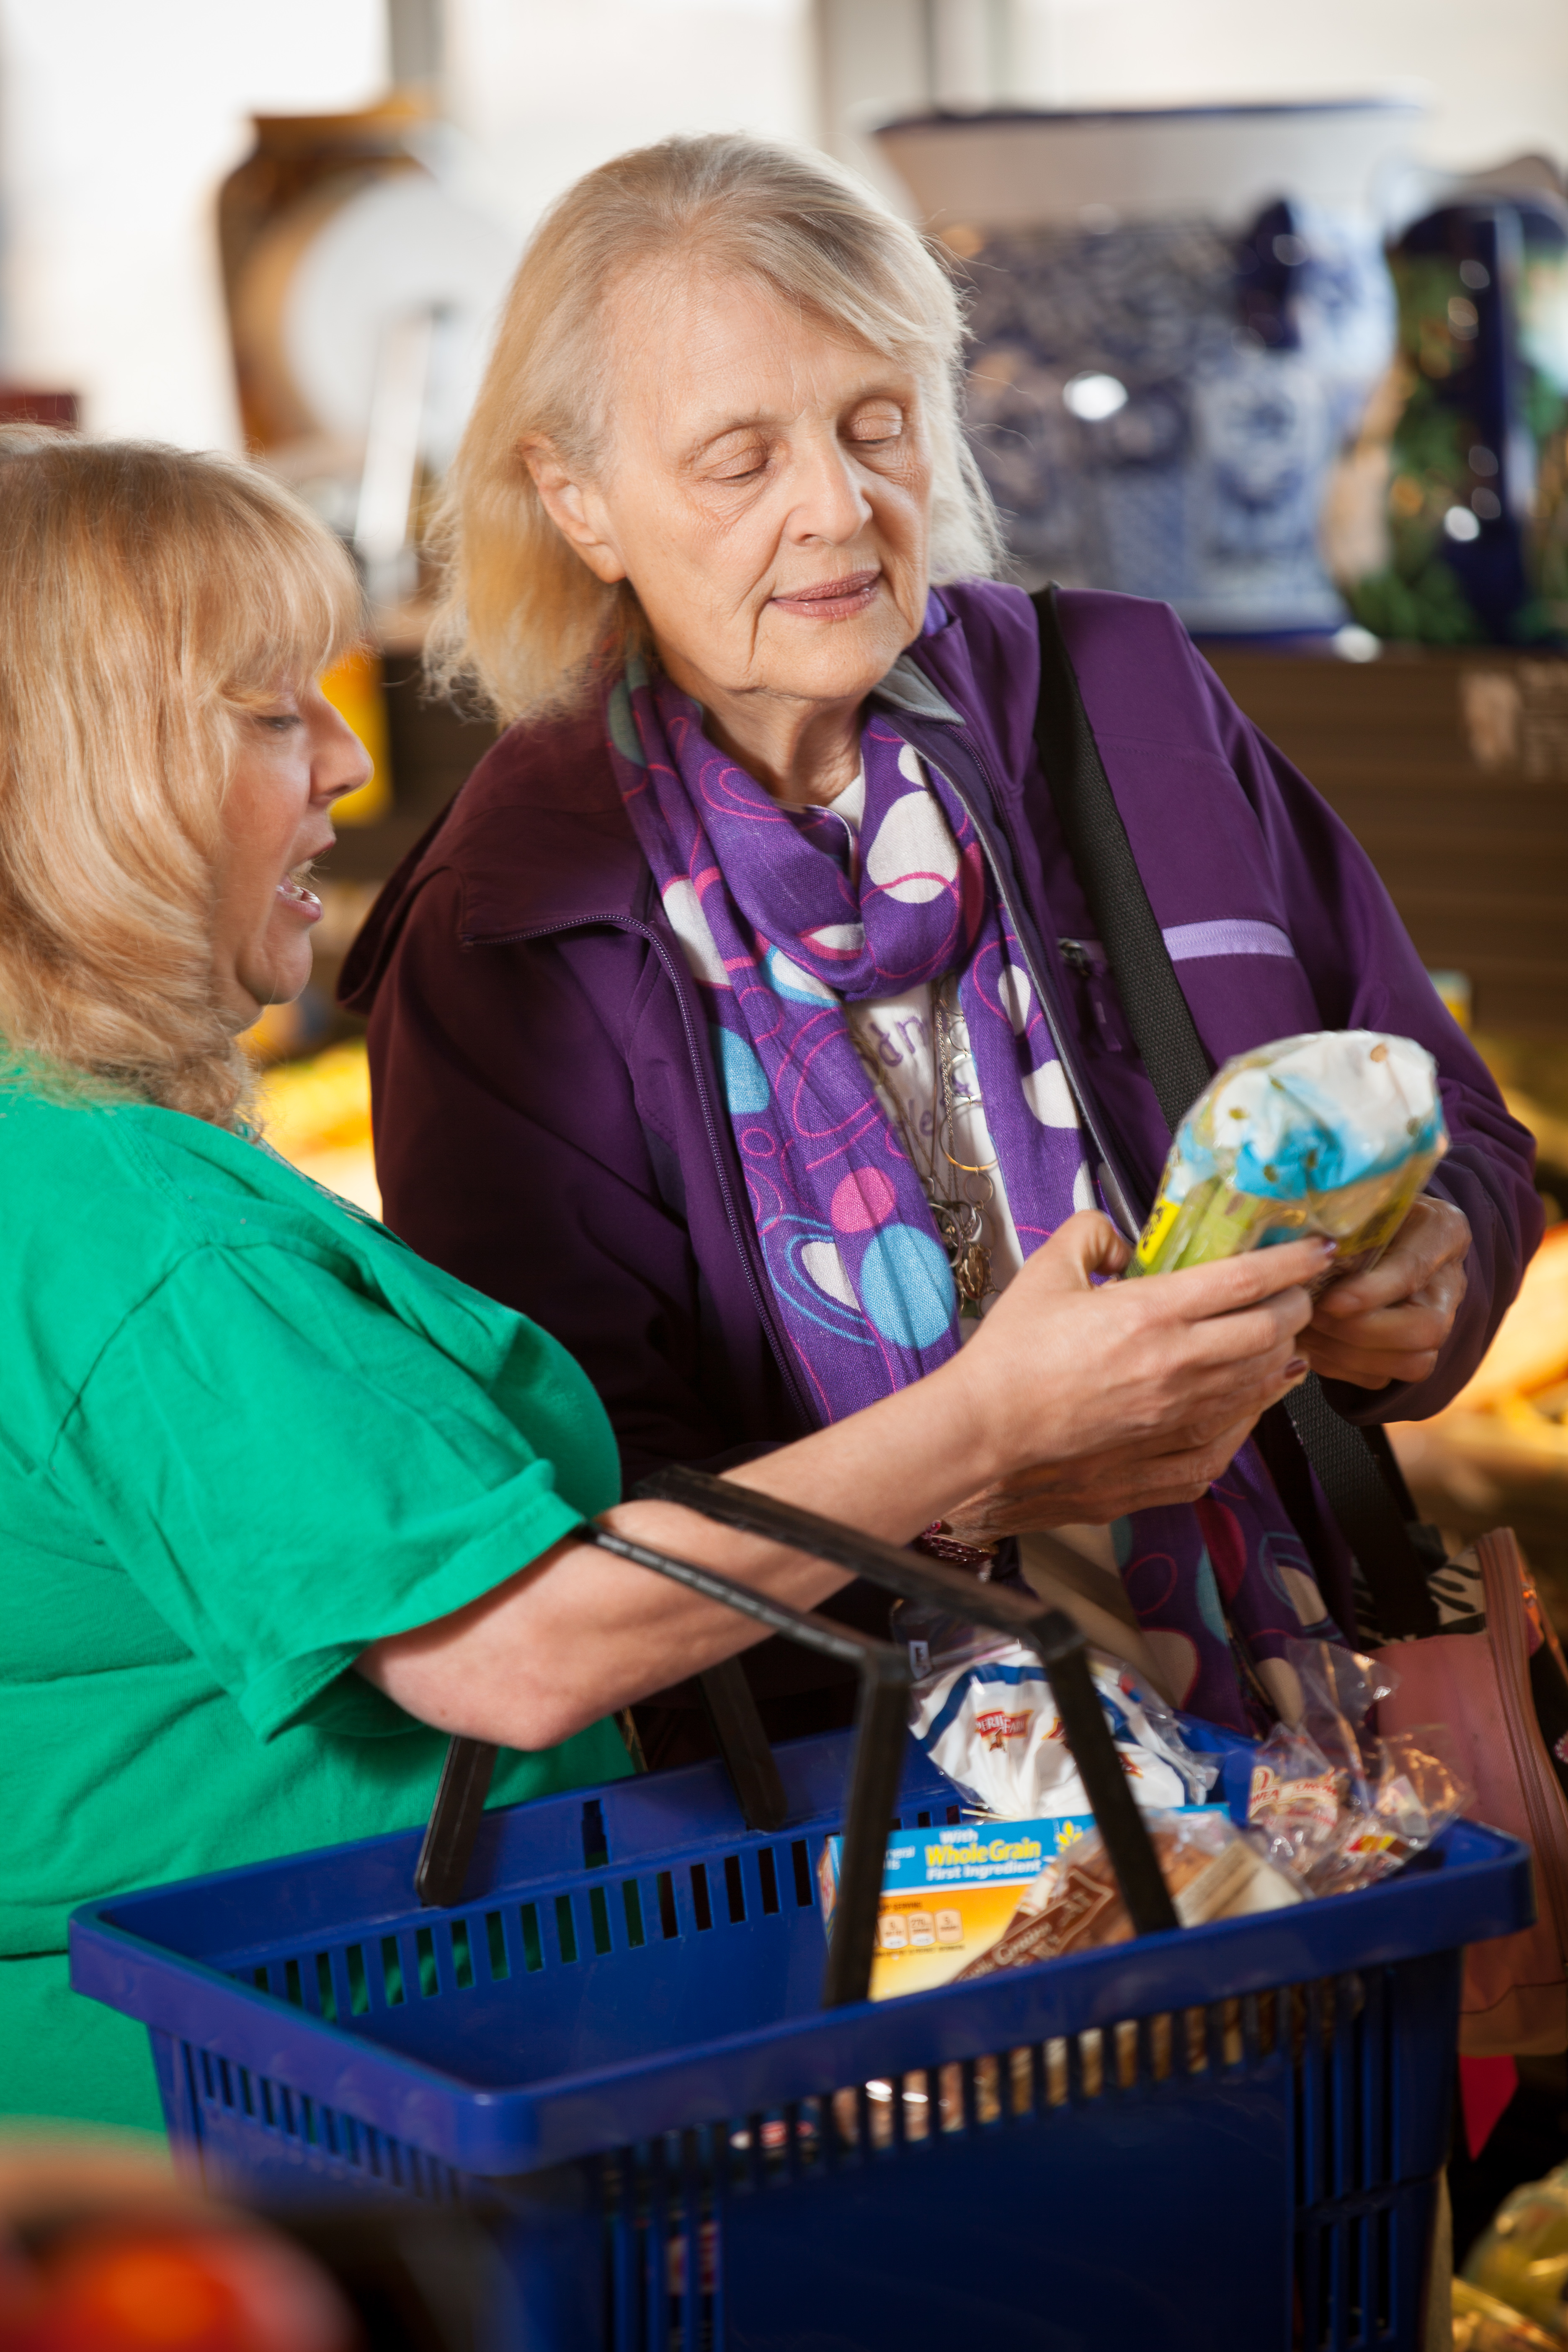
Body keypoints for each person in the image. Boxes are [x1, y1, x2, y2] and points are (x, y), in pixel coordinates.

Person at [0, 432, 1321, 2135]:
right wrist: (985, 1422)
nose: (342, 758)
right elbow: (512, 1651)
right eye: (270, 714)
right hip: (266, 2133)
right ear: (87, 779)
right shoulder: (139, 1229)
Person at [342, 133, 1541, 1754]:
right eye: (738, 460)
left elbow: (1453, 1120)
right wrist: (985, 1460)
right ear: (578, 499)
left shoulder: (1125, 703)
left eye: (875, 424)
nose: (839, 509)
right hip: (830, 1830)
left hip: (1301, 1743)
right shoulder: (506, 916)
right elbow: (578, 1522)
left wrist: (1429, 1279)